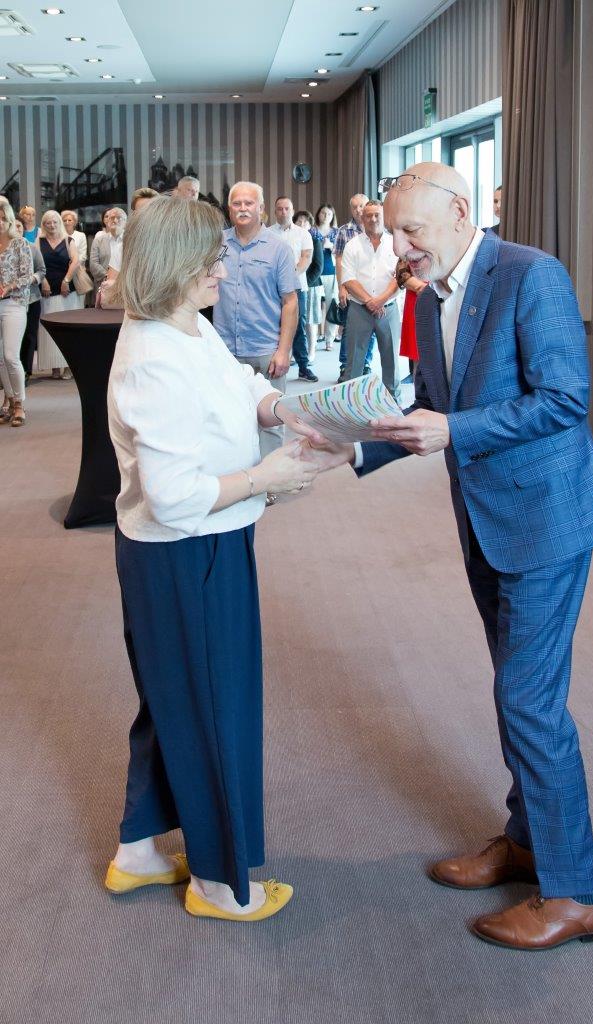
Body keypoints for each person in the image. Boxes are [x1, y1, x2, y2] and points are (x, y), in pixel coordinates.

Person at [306, 162, 593, 951]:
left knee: (529, 700)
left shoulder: (531, 276)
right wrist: (353, 448)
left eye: (411, 231)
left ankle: (579, 892)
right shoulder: (428, 293)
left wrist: (453, 431)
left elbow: (565, 400)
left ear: (459, 212)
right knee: (516, 693)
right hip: (485, 518)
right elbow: (433, 406)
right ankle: (528, 842)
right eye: (393, 234)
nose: (400, 249)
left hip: (545, 520)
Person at [106, 195, 321, 922]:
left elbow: (240, 383)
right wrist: (266, 477)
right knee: (214, 709)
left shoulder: (184, 325)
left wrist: (283, 410)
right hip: (186, 553)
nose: (222, 272)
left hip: (195, 547)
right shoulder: (152, 359)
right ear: (174, 266)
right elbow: (174, 498)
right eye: (211, 261)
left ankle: (139, 850)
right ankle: (221, 885)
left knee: (173, 700)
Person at [213, 181, 300, 498]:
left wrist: (284, 350)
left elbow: (290, 302)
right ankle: (237, 482)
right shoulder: (217, 245)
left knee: (272, 419)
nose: (242, 208)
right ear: (229, 209)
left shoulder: (278, 248)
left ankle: (270, 484)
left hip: (266, 348)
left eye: (249, 203)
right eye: (236, 203)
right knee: (228, 418)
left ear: (261, 208)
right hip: (224, 349)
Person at [340, 200, 401, 401]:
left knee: (391, 361)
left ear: (384, 217)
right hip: (359, 310)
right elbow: (348, 279)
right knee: (354, 362)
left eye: (377, 215)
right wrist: (369, 301)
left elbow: (400, 277)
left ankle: (393, 402)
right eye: (368, 215)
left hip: (388, 309)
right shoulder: (352, 245)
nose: (373, 219)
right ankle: (351, 404)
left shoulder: (395, 243)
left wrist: (380, 300)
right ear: (362, 218)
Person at [269, 196, 318, 382]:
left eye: (287, 209)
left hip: (297, 288)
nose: (283, 212)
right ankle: (272, 364)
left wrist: (289, 277)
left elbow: (306, 258)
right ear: (275, 211)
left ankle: (303, 367)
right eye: (279, 209)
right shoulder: (267, 233)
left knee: (298, 327)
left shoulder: (303, 234)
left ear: (292, 210)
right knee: (273, 325)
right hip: (272, 288)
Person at [334, 193, 376, 382]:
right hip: (352, 289)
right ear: (351, 210)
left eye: (362, 206)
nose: (359, 210)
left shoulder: (377, 229)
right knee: (349, 330)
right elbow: (339, 261)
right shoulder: (344, 231)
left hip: (373, 290)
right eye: (355, 207)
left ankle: (366, 363)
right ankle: (345, 365)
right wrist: (342, 287)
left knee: (371, 329)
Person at [0, 203, 33, 426]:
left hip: (14, 303)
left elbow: (28, 275)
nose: (0, 222)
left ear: (10, 220)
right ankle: (10, 401)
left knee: (11, 355)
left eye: (3, 218)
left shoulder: (20, 243)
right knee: (0, 359)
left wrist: (9, 287)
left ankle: (20, 404)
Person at [37, 209, 80, 378]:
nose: (52, 225)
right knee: (49, 330)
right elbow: (36, 264)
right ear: (44, 225)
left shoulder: (69, 240)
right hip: (47, 291)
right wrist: (43, 281)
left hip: (67, 291)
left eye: (55, 222)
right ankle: (54, 367)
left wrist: (66, 281)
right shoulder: (38, 241)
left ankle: (69, 367)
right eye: (48, 222)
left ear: (59, 223)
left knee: (69, 330)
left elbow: (75, 261)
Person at [15, 218, 46, 381]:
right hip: (8, 300)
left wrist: (30, 279)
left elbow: (42, 271)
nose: (16, 229)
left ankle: (26, 371)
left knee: (28, 335)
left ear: (23, 229)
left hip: (31, 299)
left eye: (19, 226)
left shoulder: (32, 248)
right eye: (13, 225)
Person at [294, 210, 324, 364]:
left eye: (305, 221)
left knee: (310, 321)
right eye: (299, 221)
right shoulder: (292, 239)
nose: (302, 224)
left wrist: (306, 283)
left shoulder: (315, 239)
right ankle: (296, 352)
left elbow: (318, 267)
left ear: (310, 224)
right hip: (295, 286)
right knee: (296, 320)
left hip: (312, 285)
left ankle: (311, 351)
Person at [395, 256, 428, 380]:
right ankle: (419, 390)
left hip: (443, 294)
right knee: (417, 354)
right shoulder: (408, 248)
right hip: (416, 298)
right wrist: (424, 288)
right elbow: (401, 273)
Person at [314, 203, 339, 350]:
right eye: (323, 213)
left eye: (329, 214)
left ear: (332, 216)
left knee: (331, 306)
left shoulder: (336, 232)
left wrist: (330, 246)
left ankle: (329, 339)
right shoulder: (311, 231)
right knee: (314, 306)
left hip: (331, 272)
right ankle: (315, 337)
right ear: (318, 214)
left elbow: (342, 253)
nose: (325, 216)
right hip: (314, 274)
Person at [89, 207, 127, 288]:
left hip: (125, 285)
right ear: (107, 222)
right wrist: (109, 276)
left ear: (125, 222)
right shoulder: (98, 241)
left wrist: (120, 279)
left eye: (119, 218)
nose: (115, 220)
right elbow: (93, 264)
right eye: (112, 218)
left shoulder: (131, 239)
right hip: (104, 285)